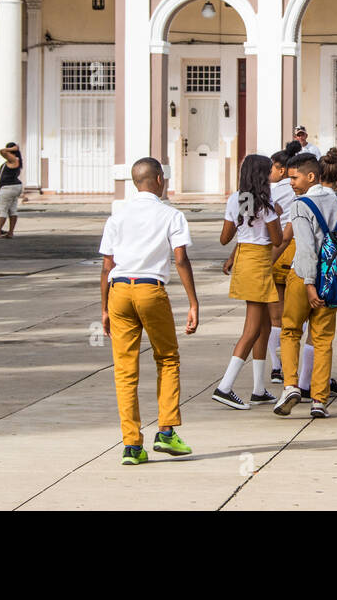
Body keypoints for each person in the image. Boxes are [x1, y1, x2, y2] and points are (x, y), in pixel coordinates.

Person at [98, 157, 198, 465]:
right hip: (150, 290)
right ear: (157, 180)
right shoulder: (171, 214)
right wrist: (193, 302)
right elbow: (180, 259)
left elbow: (106, 265)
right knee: (167, 358)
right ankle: (166, 431)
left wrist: (104, 309)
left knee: (125, 370)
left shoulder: (118, 215)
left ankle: (132, 445)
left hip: (118, 291)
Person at [274, 152, 337, 419]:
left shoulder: (300, 205)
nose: (290, 182)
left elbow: (305, 248)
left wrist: (308, 284)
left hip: (304, 277)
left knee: (291, 330)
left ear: (311, 176)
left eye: (294, 177)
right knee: (323, 339)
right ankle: (319, 399)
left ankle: (291, 385)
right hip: (333, 277)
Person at [213, 154, 283, 409]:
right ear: (262, 176)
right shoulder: (267, 204)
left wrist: (241, 221)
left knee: (264, 327)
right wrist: (277, 214)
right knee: (253, 329)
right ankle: (225, 386)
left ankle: (258, 389)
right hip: (260, 262)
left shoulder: (237, 199)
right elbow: (277, 241)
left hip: (245, 257)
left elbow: (225, 238)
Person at [264, 148, 298, 383]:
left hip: (279, 246)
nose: (269, 174)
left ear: (281, 169)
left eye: (272, 168)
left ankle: (277, 367)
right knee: (296, 317)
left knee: (275, 317)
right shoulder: (300, 189)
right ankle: (292, 364)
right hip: (299, 249)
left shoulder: (273, 191)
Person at [0, 142, 23, 238]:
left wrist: (13, 149)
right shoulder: (16, 160)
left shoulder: (13, 159)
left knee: (2, 209)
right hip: (14, 187)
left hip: (8, 187)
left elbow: (2, 151)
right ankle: (10, 232)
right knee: (12, 210)